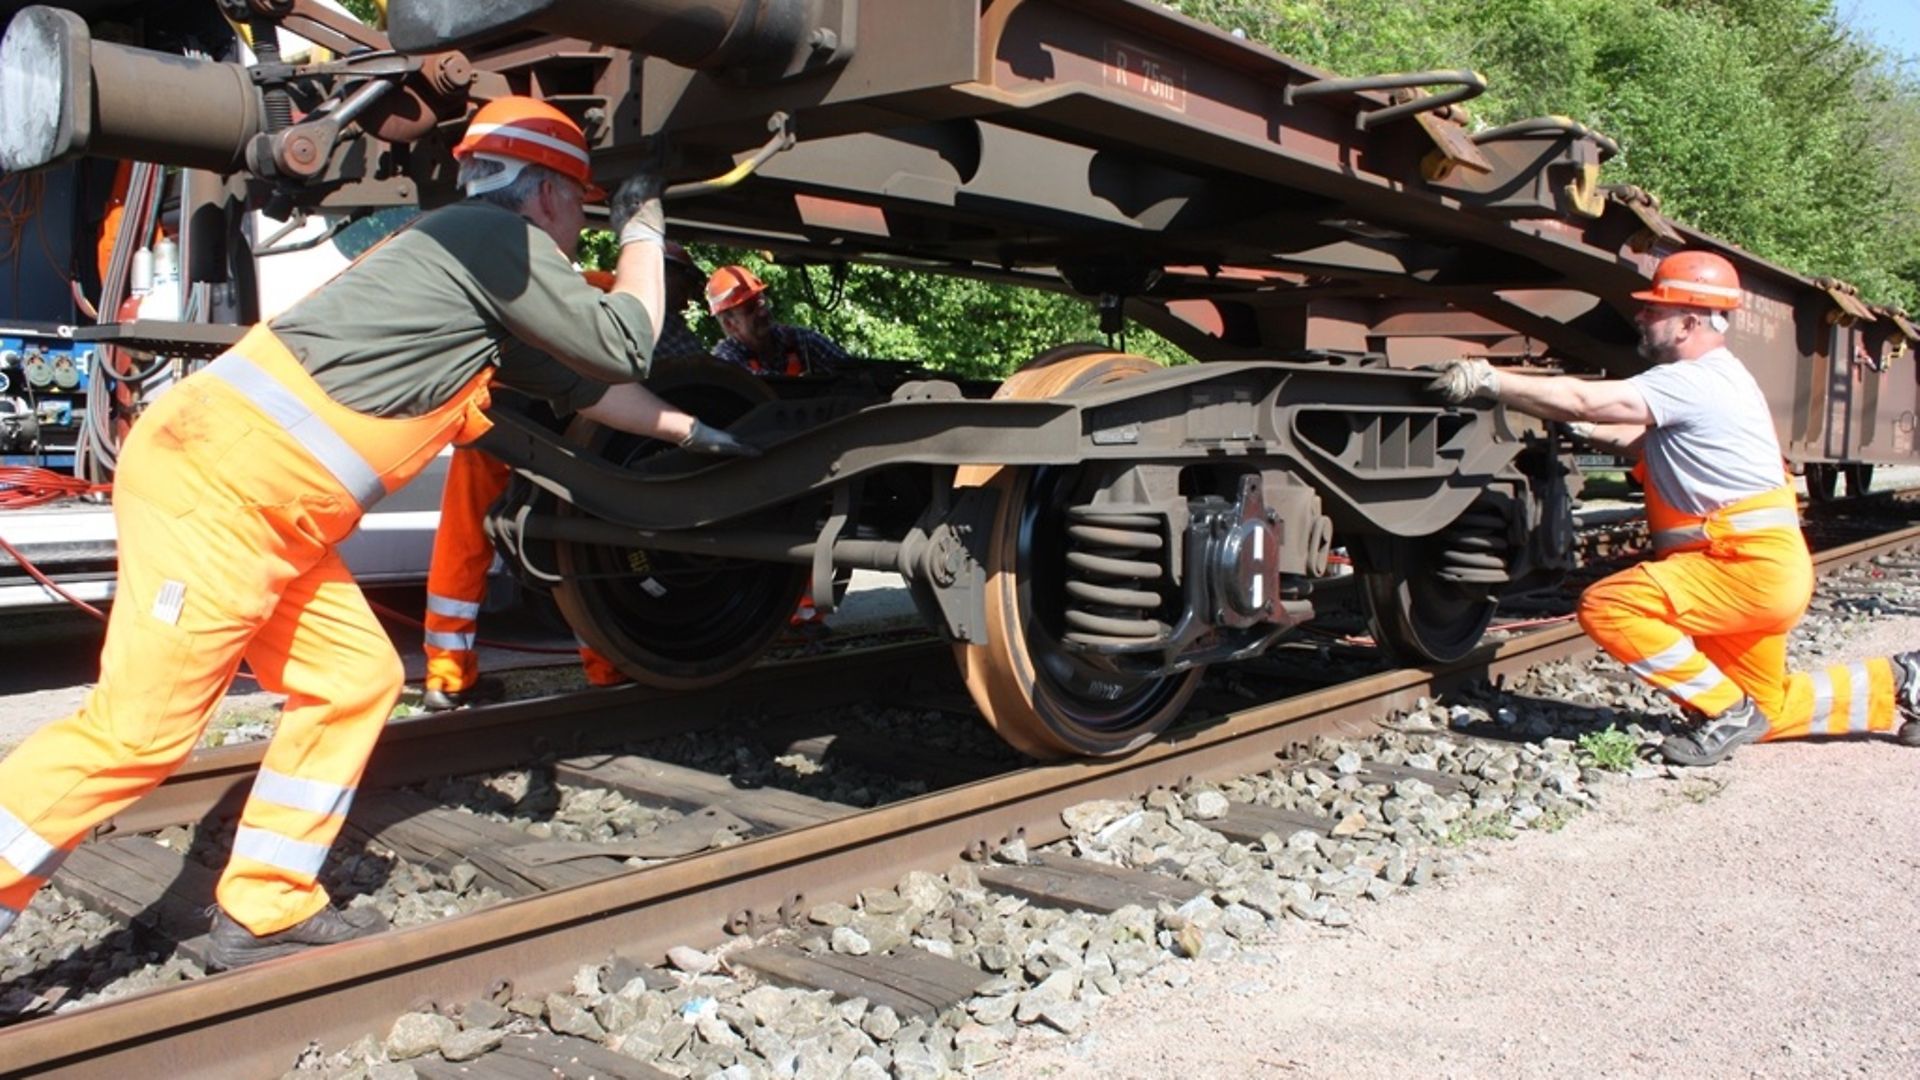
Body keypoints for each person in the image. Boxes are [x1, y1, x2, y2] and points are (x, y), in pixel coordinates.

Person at [0, 96, 756, 968]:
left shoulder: (472, 285)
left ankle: (265, 904)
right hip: (220, 489)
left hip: (270, 509)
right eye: (582, 203)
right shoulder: (488, 239)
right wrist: (642, 222)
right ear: (549, 193)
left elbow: (588, 390)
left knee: (353, 677)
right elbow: (623, 345)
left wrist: (692, 432)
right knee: (137, 732)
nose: (578, 226)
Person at [1429, 250, 1920, 766]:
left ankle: (1726, 712)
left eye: (1653, 310)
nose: (1641, 318)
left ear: (1689, 322)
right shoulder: (1720, 379)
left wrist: (1489, 382)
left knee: (1610, 606)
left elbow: (1587, 400)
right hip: (1761, 571)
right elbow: (1643, 439)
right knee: (1769, 710)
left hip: (1740, 569)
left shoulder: (1693, 380)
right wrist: (1579, 428)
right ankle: (1905, 681)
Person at [420, 242, 714, 710]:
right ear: (662, 273)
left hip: (488, 412)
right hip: (550, 426)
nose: (685, 301)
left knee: (463, 543)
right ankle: (605, 666)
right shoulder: (624, 303)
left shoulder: (579, 287)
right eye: (684, 285)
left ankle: (447, 674)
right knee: (578, 546)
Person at [705, 264, 849, 377]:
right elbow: (756, 386)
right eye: (750, 309)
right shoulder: (725, 361)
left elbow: (851, 369)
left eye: (761, 302)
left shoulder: (801, 340)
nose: (762, 312)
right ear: (729, 324)